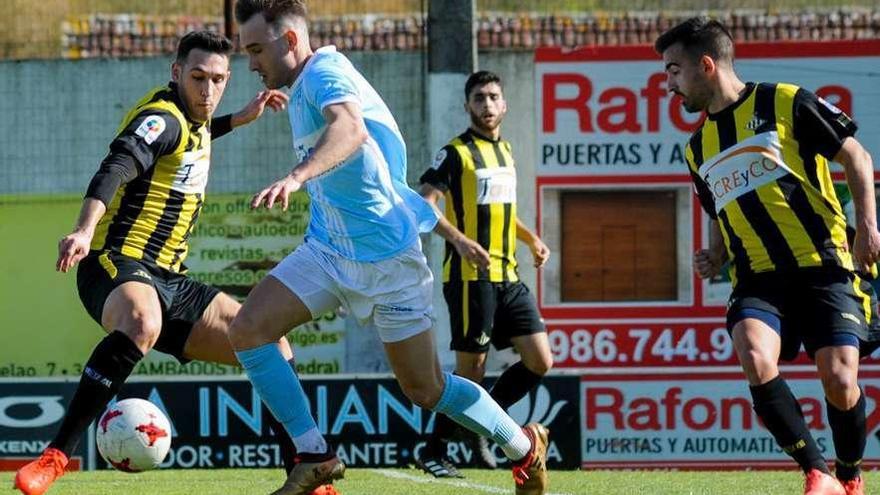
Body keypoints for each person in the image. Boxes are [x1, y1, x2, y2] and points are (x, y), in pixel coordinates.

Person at [230, 1, 550, 494]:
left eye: (255, 49)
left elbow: (350, 129)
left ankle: (524, 447)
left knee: (425, 389)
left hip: (387, 259)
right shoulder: (297, 87)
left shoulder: (324, 73)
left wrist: (296, 176)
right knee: (249, 329)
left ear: (289, 41)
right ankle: (313, 454)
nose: (251, 63)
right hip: (329, 251)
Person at [14, 31, 296, 495]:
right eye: (198, 77)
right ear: (176, 73)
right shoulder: (160, 118)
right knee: (142, 321)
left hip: (171, 278)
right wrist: (84, 230)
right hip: (114, 262)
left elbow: (196, 131)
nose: (208, 90)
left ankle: (305, 468)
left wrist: (237, 120)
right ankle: (56, 455)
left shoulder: (193, 117)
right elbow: (118, 166)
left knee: (270, 345)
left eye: (218, 80)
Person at [656, 17, 880, 495]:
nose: (668, 84)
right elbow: (719, 208)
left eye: (674, 71)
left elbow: (856, 157)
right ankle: (816, 472)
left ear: (707, 65)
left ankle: (848, 473)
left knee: (840, 381)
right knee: (756, 356)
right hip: (759, 278)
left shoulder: (784, 101)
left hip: (825, 266)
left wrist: (869, 228)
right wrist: (715, 255)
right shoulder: (696, 149)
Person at [416, 70, 553, 477]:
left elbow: (502, 214)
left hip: (508, 275)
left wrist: (530, 240)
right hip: (468, 276)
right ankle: (435, 449)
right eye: (479, 98)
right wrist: (459, 241)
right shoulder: (455, 153)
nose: (487, 105)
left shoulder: (506, 151)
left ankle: (480, 420)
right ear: (467, 106)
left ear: (504, 104)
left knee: (539, 359)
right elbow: (424, 203)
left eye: (494, 96)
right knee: (471, 370)